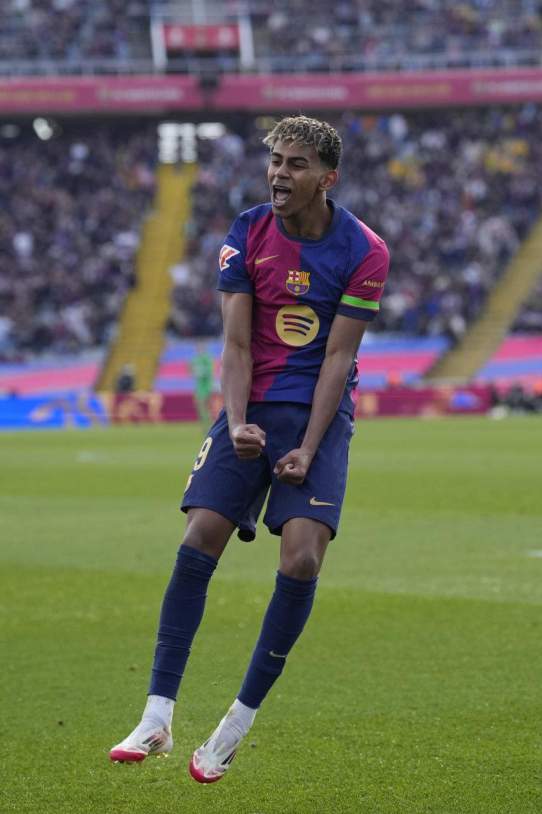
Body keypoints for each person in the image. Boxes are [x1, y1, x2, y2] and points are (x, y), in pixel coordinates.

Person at [109, 115, 390, 782]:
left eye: (294, 164)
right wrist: (236, 423)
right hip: (250, 406)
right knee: (198, 534)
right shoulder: (245, 234)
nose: (278, 175)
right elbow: (235, 346)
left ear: (327, 177)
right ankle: (156, 716)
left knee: (300, 560)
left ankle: (234, 726)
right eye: (275, 162)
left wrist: (307, 446)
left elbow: (337, 359)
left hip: (316, 416)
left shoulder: (364, 250)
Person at [190, 341, 214, 427]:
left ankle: (210, 423)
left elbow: (209, 372)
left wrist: (201, 373)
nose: (199, 350)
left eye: (201, 348)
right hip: (199, 387)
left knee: (207, 406)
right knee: (200, 407)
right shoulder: (194, 359)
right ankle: (203, 424)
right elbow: (191, 372)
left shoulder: (207, 359)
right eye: (198, 348)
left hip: (206, 387)